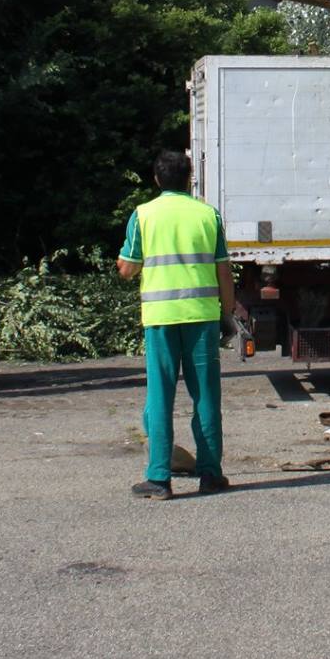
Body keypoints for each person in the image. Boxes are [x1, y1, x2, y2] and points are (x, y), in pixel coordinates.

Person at [119, 149, 236, 500]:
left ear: (157, 179)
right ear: (190, 179)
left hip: (160, 319)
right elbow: (223, 271)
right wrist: (227, 313)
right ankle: (211, 474)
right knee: (206, 397)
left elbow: (128, 268)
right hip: (201, 317)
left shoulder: (143, 215)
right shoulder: (207, 216)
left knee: (160, 396)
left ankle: (158, 479)